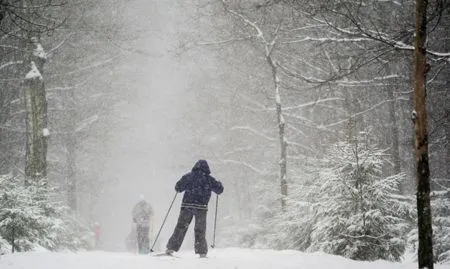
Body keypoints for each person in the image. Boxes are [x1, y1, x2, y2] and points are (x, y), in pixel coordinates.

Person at [165, 160, 224, 258]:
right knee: (200, 230)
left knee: (181, 227)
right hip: (201, 208)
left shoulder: (188, 177)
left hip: (187, 206)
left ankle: (171, 248)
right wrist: (219, 184)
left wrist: (182, 185)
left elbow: (178, 188)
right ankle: (202, 252)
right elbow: (219, 190)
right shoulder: (209, 179)